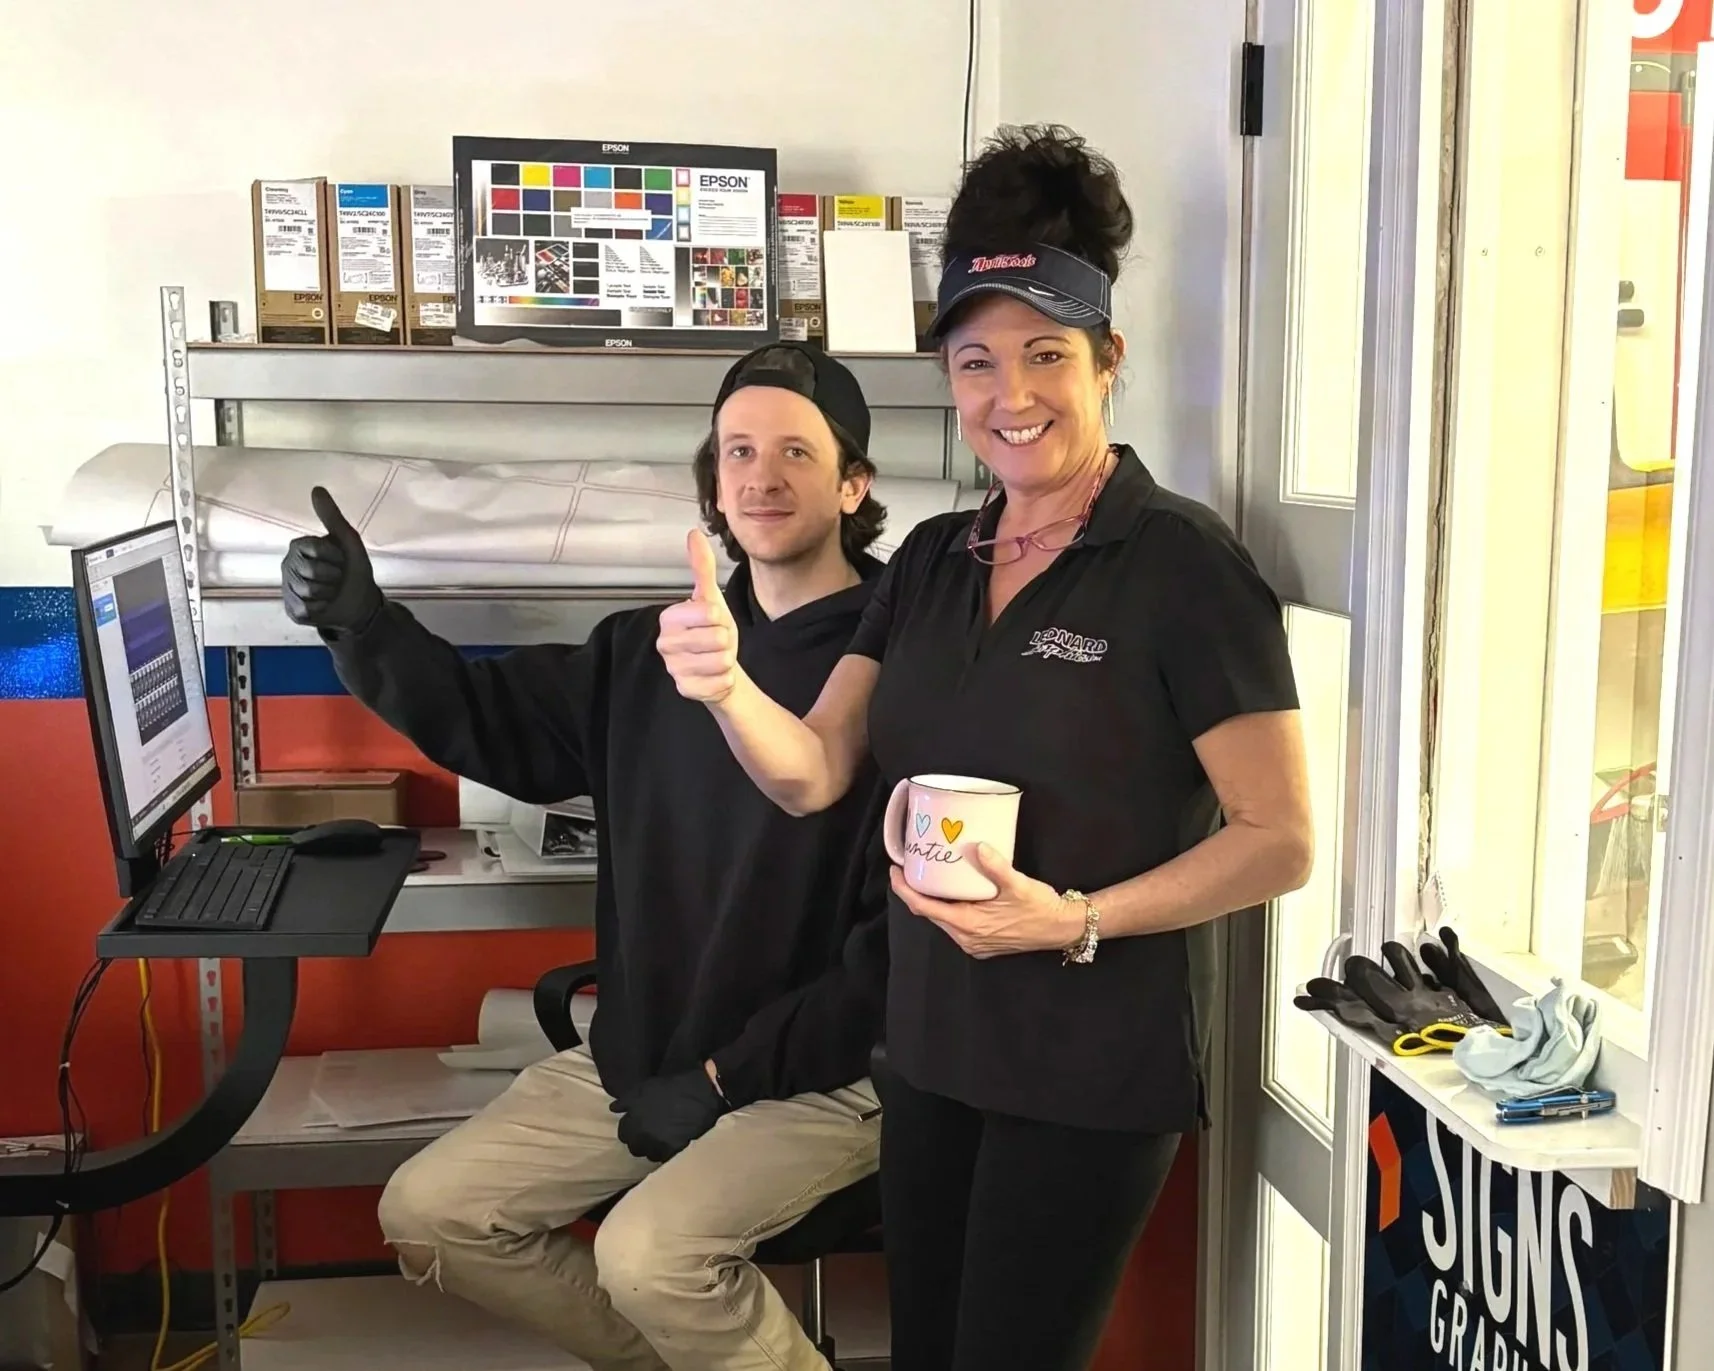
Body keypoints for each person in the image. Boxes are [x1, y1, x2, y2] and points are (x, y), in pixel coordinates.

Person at [656, 125, 1315, 1371]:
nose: (1009, 398)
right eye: (974, 364)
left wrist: (1067, 919)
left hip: (1084, 1070)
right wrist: (728, 685)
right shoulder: (930, 563)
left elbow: (1276, 841)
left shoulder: (1180, 568)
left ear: (1106, 360)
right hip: (930, 1048)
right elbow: (815, 772)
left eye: (1044, 356)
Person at [278, 343, 895, 1371]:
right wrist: (363, 625)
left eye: (797, 450)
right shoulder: (644, 652)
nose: (761, 475)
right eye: (737, 449)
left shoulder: (904, 666)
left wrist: (718, 1077)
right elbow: (489, 721)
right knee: (431, 1212)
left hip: (823, 1075)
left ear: (853, 483)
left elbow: (897, 956)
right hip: (649, 1051)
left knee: (647, 1257)